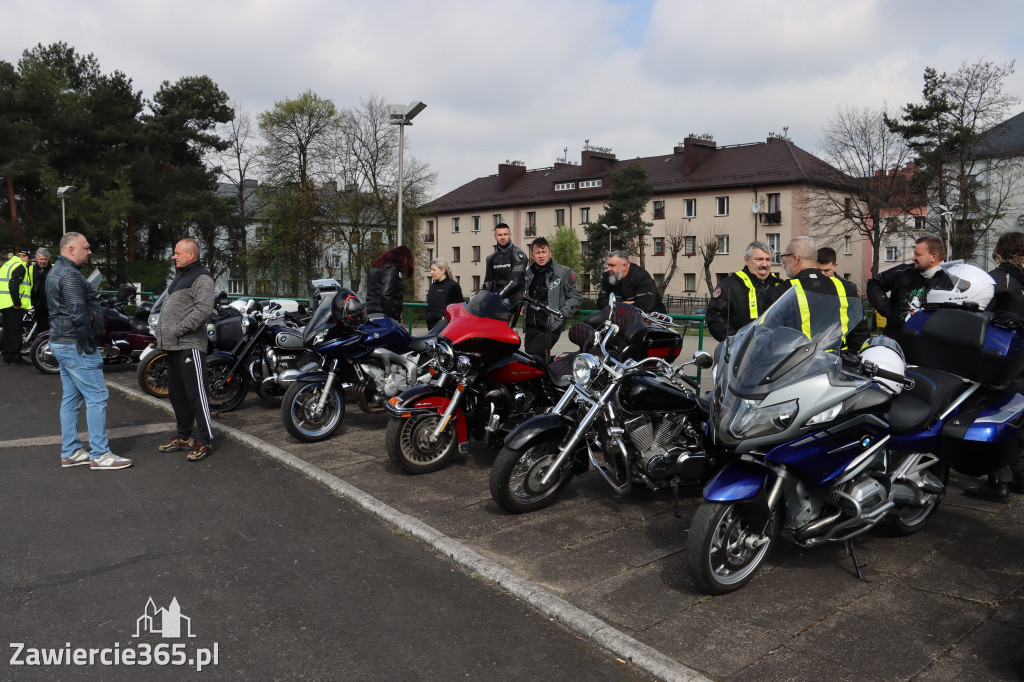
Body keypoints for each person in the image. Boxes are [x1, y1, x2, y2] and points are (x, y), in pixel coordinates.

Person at [46, 232, 132, 470]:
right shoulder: (70, 275)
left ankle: (71, 452)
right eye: (86, 247)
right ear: (71, 250)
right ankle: (100, 454)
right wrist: (88, 345)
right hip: (75, 344)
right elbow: (78, 313)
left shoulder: (55, 271)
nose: (90, 251)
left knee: (72, 398)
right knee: (97, 396)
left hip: (61, 341)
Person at [964, 231, 1024, 502]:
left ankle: (999, 481)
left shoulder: (999, 280)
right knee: (1019, 415)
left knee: (994, 414)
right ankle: (1020, 476)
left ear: (1002, 250)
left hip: (1004, 357)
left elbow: (978, 313)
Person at [155, 238, 216, 462]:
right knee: (177, 395)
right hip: (173, 347)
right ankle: (184, 437)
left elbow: (204, 309)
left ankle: (204, 441)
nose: (174, 256)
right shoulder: (180, 277)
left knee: (197, 395)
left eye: (177, 253)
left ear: (191, 255)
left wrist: (179, 330)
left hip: (190, 346)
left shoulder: (202, 277)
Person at [779, 236, 869, 351]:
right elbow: (860, 332)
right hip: (838, 359)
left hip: (802, 360)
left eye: (785, 257)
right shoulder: (846, 288)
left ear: (795, 258)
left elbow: (773, 335)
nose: (784, 261)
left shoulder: (784, 291)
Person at [867, 236, 952, 339]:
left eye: (918, 254)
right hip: (896, 341)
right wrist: (888, 311)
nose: (913, 258)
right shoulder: (903, 272)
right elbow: (874, 284)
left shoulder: (949, 281)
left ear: (934, 257)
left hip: (928, 344)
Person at [706, 240, 784, 342]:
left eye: (768, 259)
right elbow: (715, 317)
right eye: (759, 259)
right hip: (740, 349)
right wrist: (736, 341)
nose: (764, 264)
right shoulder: (729, 285)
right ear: (746, 260)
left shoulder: (779, 285)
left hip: (774, 348)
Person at [522, 237, 582, 359]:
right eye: (537, 253)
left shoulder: (563, 272)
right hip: (531, 326)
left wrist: (562, 313)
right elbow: (524, 295)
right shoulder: (528, 274)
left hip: (551, 326)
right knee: (530, 360)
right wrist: (523, 304)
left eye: (544, 252)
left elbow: (576, 296)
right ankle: (551, 369)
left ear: (550, 253)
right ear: (532, 256)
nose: (541, 256)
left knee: (534, 354)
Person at [597, 250, 666, 313]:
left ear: (624, 266)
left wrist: (614, 304)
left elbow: (645, 307)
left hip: (652, 319)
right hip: (619, 318)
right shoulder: (608, 276)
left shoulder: (641, 277)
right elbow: (601, 302)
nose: (608, 269)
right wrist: (623, 304)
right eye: (608, 265)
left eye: (612, 265)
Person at [1, 248, 33, 365]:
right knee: (15, 331)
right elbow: (13, 285)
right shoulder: (19, 266)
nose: (29, 261)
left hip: (3, 303)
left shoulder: (7, 265)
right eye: (28, 258)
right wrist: (17, 304)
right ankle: (15, 357)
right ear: (23, 256)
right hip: (13, 305)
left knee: (7, 331)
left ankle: (7, 356)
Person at [365, 245, 414, 321]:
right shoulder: (391, 269)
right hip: (383, 315)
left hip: (371, 312)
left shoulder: (376, 267)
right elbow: (386, 294)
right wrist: (394, 316)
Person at [483, 223, 527, 300]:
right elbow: (488, 283)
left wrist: (498, 296)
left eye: (505, 234)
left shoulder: (518, 254)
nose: (503, 237)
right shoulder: (491, 258)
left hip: (516, 299)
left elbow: (515, 281)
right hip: (497, 299)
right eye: (499, 235)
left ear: (510, 235)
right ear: (495, 237)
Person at [425, 259, 463, 330]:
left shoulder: (453, 286)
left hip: (446, 328)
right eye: (431, 269)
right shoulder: (433, 286)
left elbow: (459, 308)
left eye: (434, 270)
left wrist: (445, 318)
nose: (431, 272)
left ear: (443, 270)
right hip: (431, 327)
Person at [31, 247, 53, 334]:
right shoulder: (31, 269)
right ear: (36, 259)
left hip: (50, 302)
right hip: (36, 302)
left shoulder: (53, 269)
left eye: (45, 259)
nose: (43, 261)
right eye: (41, 259)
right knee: (40, 326)